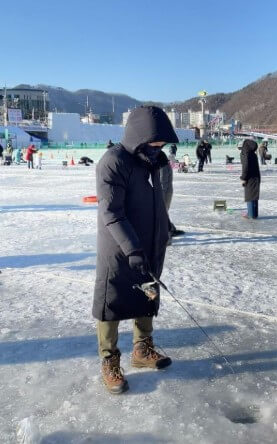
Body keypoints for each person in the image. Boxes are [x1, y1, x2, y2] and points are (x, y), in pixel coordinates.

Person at [93, 106, 178, 394]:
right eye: (153, 144)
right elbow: (112, 213)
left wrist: (165, 227)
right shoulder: (113, 162)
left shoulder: (154, 161)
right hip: (118, 247)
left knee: (148, 294)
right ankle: (109, 360)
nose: (158, 149)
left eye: (161, 144)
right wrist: (132, 248)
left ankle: (142, 349)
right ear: (138, 136)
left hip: (150, 242)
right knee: (112, 302)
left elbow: (158, 201)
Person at [159, 150, 185, 243]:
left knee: (162, 214)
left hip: (164, 192)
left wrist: (158, 196)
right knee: (163, 213)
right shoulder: (165, 165)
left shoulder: (162, 166)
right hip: (166, 191)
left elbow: (163, 182)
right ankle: (171, 229)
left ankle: (167, 236)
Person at [240, 139, 260, 219]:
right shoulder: (253, 154)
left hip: (249, 177)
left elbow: (245, 167)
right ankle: (254, 214)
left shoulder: (246, 154)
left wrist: (243, 177)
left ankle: (251, 214)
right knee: (254, 196)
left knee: (250, 195)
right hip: (256, 176)